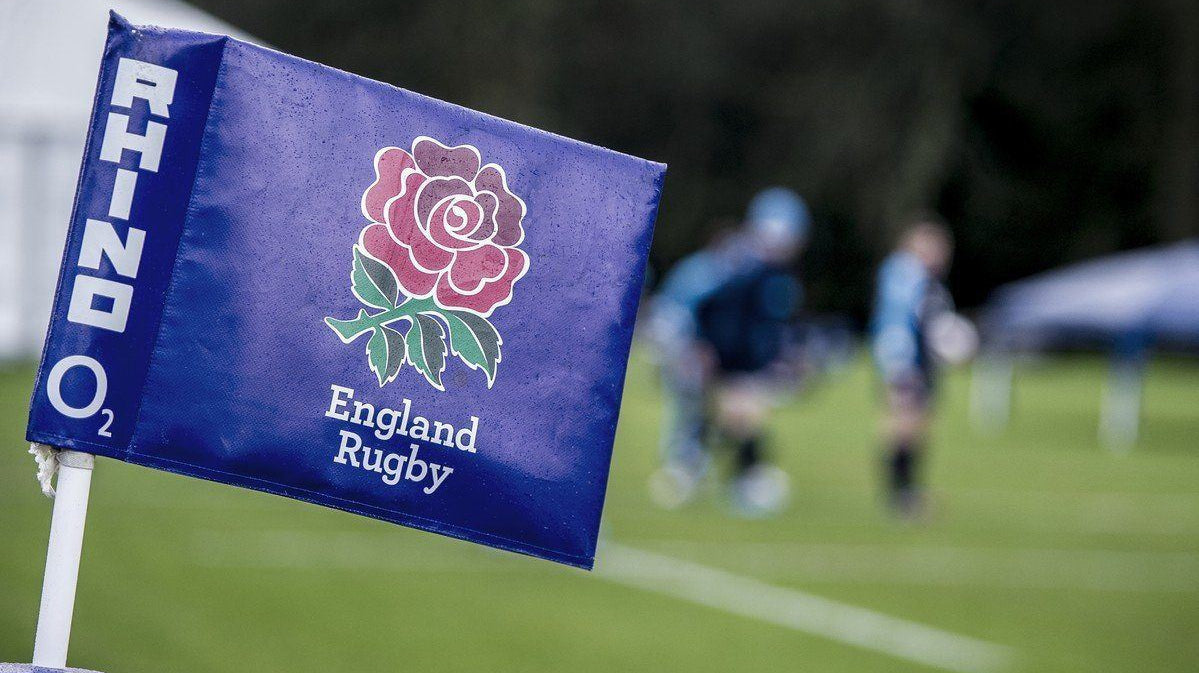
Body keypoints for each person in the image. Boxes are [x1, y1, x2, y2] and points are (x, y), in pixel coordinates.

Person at [647, 188, 809, 516]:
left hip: (732, 357)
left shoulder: (773, 275)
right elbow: (692, 306)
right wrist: (693, 346)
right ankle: (690, 468)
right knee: (704, 408)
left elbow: (766, 327)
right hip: (699, 347)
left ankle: (730, 475)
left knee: (739, 413)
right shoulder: (734, 265)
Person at [870, 214, 973, 517]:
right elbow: (896, 323)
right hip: (906, 366)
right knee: (903, 426)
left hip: (920, 364)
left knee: (917, 428)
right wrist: (899, 367)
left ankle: (907, 493)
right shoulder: (904, 275)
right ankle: (901, 496)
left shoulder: (925, 280)